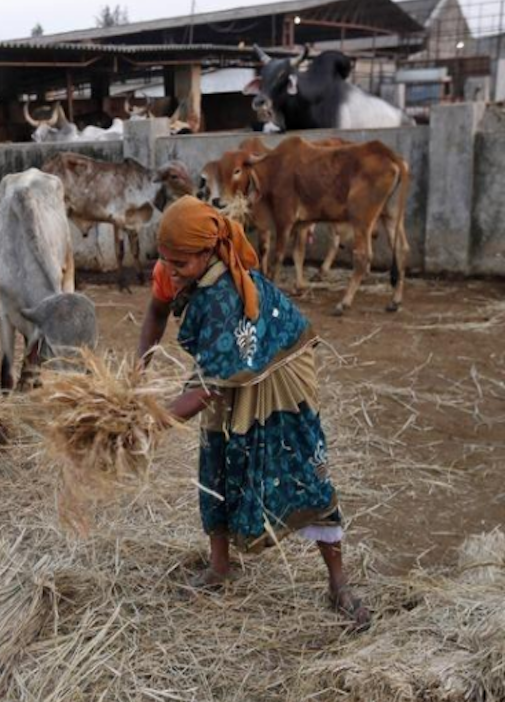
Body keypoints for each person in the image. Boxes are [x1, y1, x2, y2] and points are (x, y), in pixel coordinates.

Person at [139, 195, 370, 629]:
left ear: (207, 252)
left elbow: (207, 388)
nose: (169, 270)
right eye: (164, 260)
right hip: (227, 369)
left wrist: (153, 422)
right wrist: (138, 368)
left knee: (302, 466)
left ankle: (338, 582)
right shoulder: (174, 266)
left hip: (279, 368)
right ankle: (220, 566)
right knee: (217, 460)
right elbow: (156, 308)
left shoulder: (224, 295)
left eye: (180, 264)